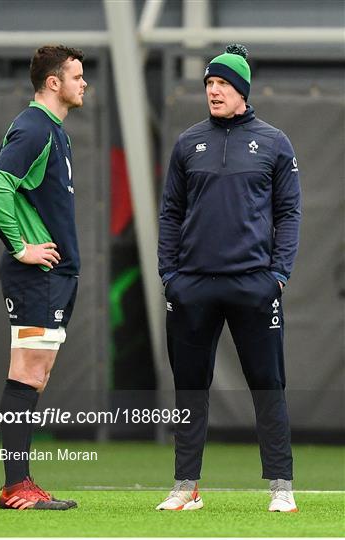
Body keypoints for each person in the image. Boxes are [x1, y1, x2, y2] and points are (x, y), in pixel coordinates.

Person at [157, 44, 301, 512]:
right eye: (209, 84)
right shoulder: (186, 143)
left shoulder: (275, 143)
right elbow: (170, 214)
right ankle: (185, 487)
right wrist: (169, 275)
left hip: (254, 285)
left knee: (268, 384)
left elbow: (290, 212)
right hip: (192, 286)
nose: (213, 91)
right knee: (189, 387)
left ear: (241, 90)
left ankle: (281, 487)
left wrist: (277, 274)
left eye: (222, 84)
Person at [0, 45, 87, 510]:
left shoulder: (54, 131)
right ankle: (15, 486)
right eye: (77, 76)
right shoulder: (34, 127)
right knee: (26, 372)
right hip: (37, 277)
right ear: (53, 82)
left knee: (36, 375)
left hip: (55, 277)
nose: (84, 84)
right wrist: (21, 247)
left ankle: (19, 482)